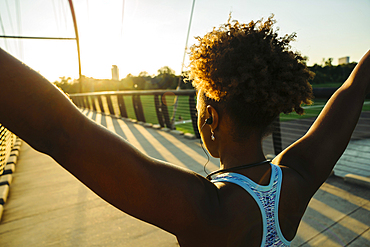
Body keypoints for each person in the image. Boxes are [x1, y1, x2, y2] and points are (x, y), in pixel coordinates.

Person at [0, 15, 369, 247]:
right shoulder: (298, 176)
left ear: (210, 118)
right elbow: (353, 89)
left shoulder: (204, 207)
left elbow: (59, 132)